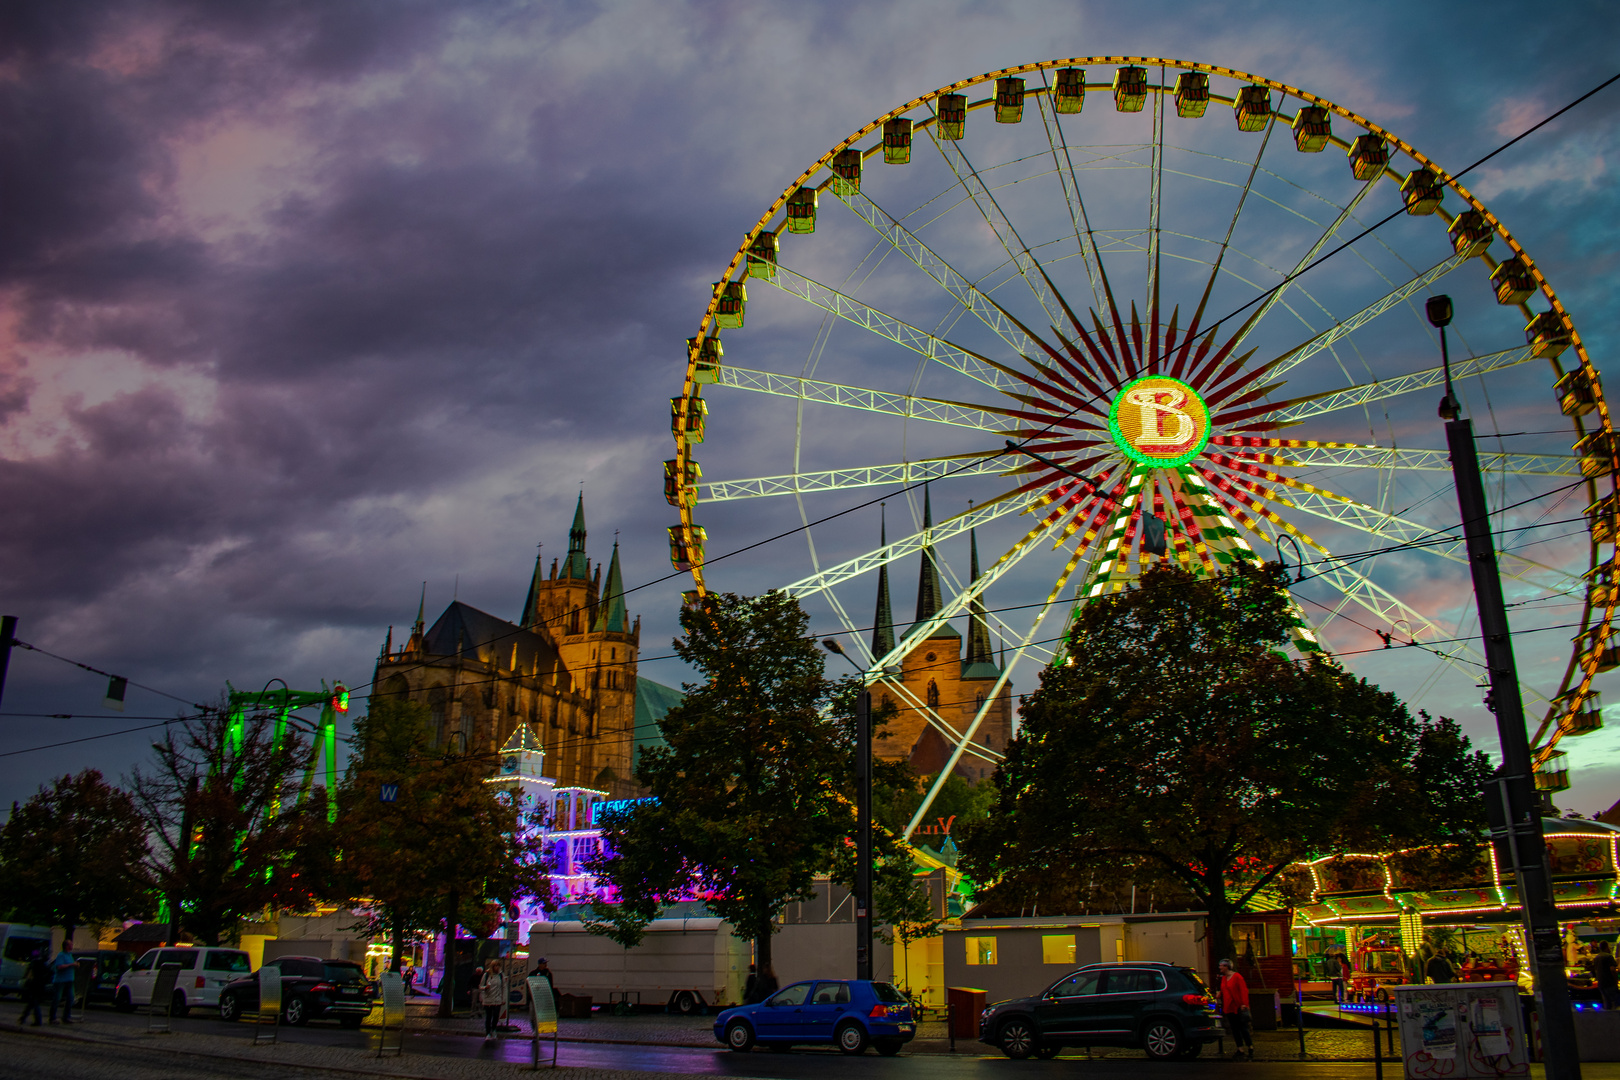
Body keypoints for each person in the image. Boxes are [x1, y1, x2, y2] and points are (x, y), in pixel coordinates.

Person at [1218, 958, 1253, 1061]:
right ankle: (1240, 1048)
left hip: (1237, 1006)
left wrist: (1244, 1003)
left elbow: (1243, 990)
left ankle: (1250, 1046)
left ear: (1226, 967)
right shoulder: (1223, 979)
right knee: (1234, 1029)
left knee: (1243, 1028)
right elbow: (1223, 990)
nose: (1220, 968)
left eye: (1221, 966)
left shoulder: (1237, 977)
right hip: (1228, 1007)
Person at [18, 948, 48, 1027]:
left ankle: (37, 1020)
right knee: (32, 1003)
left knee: (34, 1003)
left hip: (34, 985)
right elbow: (47, 974)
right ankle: (23, 1018)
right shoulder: (43, 964)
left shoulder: (33, 964)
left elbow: (28, 975)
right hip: (40, 985)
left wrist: (25, 981)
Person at [49, 945, 78, 1024]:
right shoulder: (61, 955)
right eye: (70, 945)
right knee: (57, 999)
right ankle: (52, 1018)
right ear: (66, 946)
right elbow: (59, 966)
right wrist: (71, 965)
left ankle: (66, 1017)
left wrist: (75, 965)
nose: (72, 946)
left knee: (70, 998)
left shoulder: (70, 955)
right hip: (60, 980)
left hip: (69, 980)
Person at [478, 959, 506, 1041]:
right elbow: (480, 986)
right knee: (488, 1016)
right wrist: (485, 988)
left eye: (498, 966)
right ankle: (488, 1033)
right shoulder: (487, 975)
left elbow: (504, 987)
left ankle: (493, 1029)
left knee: (496, 1016)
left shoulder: (501, 975)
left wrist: (503, 998)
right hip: (488, 999)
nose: (497, 968)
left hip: (497, 999)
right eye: (495, 966)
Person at [1594, 941, 1619, 1009]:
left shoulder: (1596, 957)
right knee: (1616, 1003)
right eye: (1609, 946)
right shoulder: (1609, 956)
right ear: (1607, 947)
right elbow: (1612, 969)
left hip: (1601, 984)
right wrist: (1616, 981)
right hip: (1609, 983)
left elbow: (1596, 970)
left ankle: (1607, 1017)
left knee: (1607, 1003)